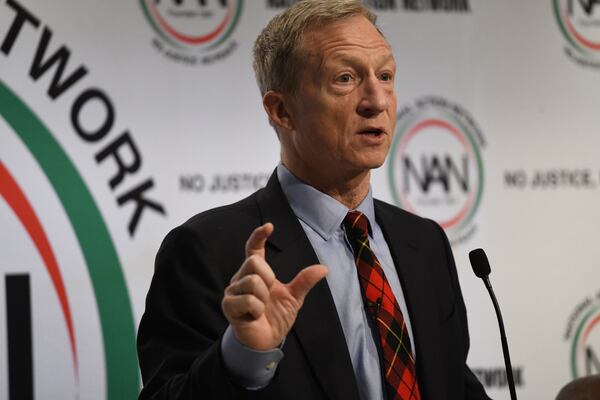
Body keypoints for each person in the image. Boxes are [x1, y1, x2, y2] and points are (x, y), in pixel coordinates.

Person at [137, 1, 490, 399]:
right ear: (281, 110)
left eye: (386, 75)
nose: (377, 100)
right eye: (345, 78)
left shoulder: (424, 243)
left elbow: (452, 385)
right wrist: (243, 356)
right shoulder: (208, 251)